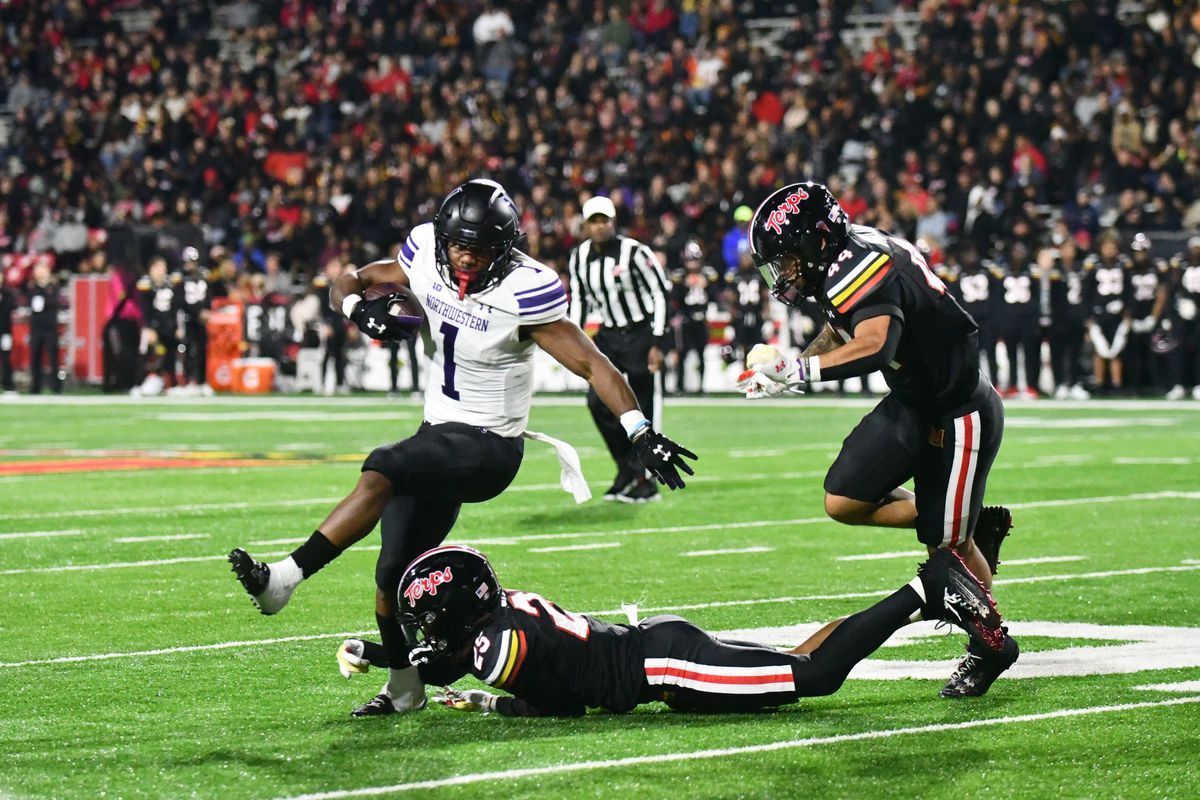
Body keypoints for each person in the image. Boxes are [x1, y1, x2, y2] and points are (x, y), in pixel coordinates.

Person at [229, 179, 696, 717]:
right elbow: (348, 278)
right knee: (392, 574)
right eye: (458, 246)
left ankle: (284, 578)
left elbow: (594, 363)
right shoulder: (426, 253)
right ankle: (404, 691)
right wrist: (359, 309)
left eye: (480, 248)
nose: (466, 258)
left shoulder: (525, 288)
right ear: (443, 240)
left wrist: (641, 430)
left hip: (490, 447)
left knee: (384, 464)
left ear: (504, 247)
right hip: (438, 436)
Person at [734, 181, 1017, 699]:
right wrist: (787, 371)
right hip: (914, 401)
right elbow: (844, 330)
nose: (785, 271)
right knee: (843, 498)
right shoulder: (842, 258)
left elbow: (872, 346)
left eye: (788, 259)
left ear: (816, 240)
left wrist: (798, 368)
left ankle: (991, 645)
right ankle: (959, 518)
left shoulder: (862, 262)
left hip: (958, 411)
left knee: (947, 555)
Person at [335, 543, 1013, 717]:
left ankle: (925, 588)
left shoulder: (492, 643)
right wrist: (381, 652)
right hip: (658, 649)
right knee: (799, 656)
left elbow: (563, 704)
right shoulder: (501, 612)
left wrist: (492, 700)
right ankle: (929, 597)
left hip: (662, 667)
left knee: (815, 675)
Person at [567, 195, 672, 503]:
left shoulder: (635, 252)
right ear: (585, 225)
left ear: (614, 222)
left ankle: (645, 479)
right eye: (594, 221)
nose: (600, 227)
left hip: (640, 334)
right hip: (608, 335)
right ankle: (626, 467)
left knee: (641, 410)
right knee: (597, 402)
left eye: (605, 220)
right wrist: (575, 343)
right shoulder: (579, 257)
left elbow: (660, 292)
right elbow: (580, 300)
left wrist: (657, 341)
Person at [670, 241, 720, 395]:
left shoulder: (707, 275)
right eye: (690, 260)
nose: (692, 263)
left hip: (702, 319)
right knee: (682, 353)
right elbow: (674, 298)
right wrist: (686, 286)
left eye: (695, 259)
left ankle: (701, 387)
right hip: (686, 318)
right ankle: (680, 386)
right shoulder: (680, 276)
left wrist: (705, 286)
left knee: (701, 354)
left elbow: (714, 295)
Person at [26, 259, 64, 394]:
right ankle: (35, 386)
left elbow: (58, 302)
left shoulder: (54, 287)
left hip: (50, 327)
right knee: (35, 357)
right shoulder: (32, 288)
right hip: (36, 327)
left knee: (53, 357)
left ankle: (56, 386)